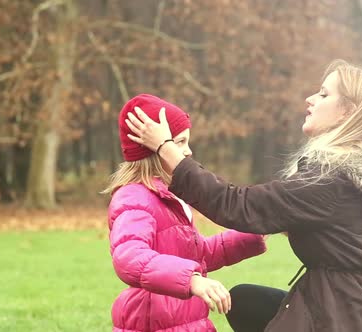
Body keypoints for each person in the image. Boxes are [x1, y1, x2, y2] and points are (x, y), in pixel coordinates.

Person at [125, 60, 362, 332]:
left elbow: (237, 205)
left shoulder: (329, 180)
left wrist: (167, 149)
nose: (311, 99)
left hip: (341, 317)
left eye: (324, 94)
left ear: (347, 112)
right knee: (245, 303)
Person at [104, 94, 267, 332]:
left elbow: (198, 254)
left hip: (186, 321)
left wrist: (254, 233)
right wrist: (192, 280)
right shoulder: (135, 197)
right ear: (150, 150)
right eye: (180, 142)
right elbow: (129, 257)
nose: (188, 152)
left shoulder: (170, 197)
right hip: (157, 324)